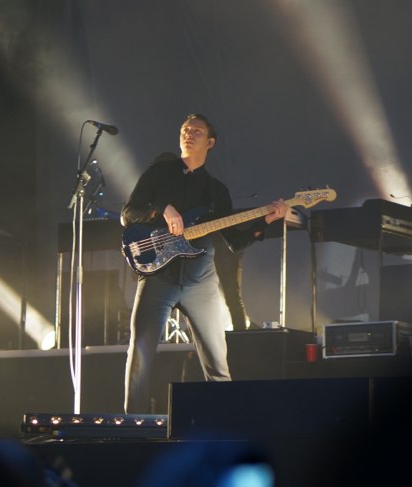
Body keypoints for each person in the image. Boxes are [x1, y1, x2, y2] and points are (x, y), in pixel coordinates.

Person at [120, 114, 288, 413]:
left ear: (210, 142)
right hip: (159, 276)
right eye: (185, 129)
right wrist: (162, 208)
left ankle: (224, 421)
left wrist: (266, 221)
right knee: (141, 355)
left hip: (201, 281)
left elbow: (234, 242)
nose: (189, 133)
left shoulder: (216, 191)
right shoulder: (159, 172)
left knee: (217, 362)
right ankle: (134, 424)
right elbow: (129, 212)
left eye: (197, 131)